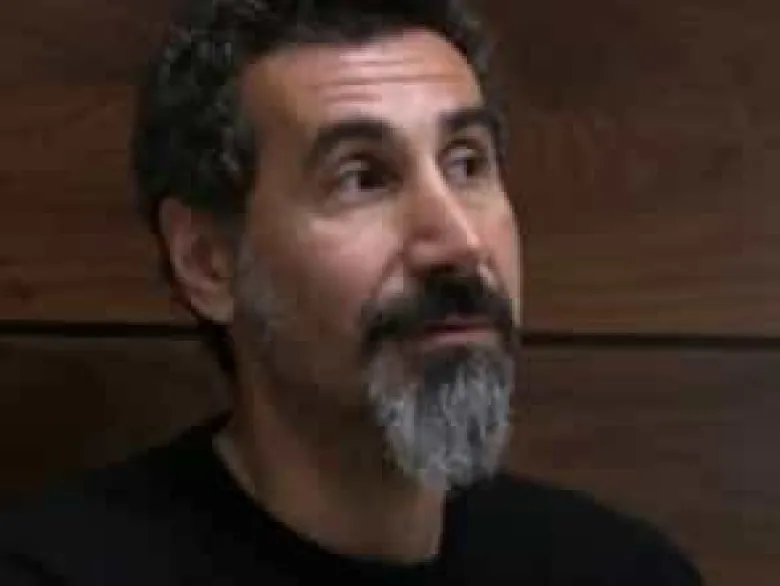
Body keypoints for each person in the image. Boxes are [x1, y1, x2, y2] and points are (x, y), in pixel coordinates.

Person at [0, 0, 704, 583]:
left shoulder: (623, 571)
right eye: (363, 177)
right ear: (208, 262)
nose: (460, 243)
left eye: (467, 163)